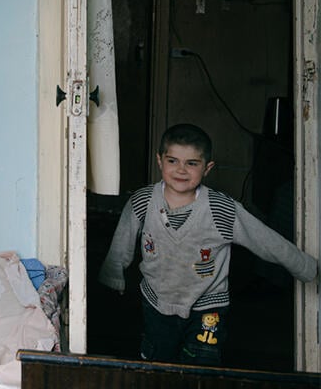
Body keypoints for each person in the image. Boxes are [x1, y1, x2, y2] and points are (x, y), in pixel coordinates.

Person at [98, 123, 319, 366]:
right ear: (159, 161)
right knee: (158, 361)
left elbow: (267, 241)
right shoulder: (143, 201)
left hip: (207, 307)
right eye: (173, 161)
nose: (181, 170)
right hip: (157, 302)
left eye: (192, 163)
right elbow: (123, 239)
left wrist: (307, 268)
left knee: (201, 365)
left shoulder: (221, 209)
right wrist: (113, 275)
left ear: (207, 168)